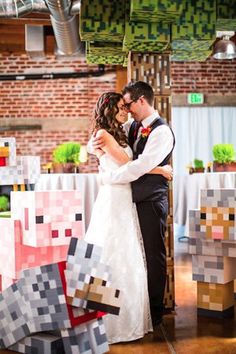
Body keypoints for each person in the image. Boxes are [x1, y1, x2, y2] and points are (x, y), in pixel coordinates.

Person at [85, 91, 173, 344]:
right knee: (113, 254)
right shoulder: (103, 134)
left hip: (125, 198)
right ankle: (108, 319)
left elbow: (126, 163)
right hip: (114, 198)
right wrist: (161, 169)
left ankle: (127, 314)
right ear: (110, 109)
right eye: (121, 107)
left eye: (127, 106)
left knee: (129, 256)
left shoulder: (121, 130)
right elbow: (127, 164)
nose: (126, 112)